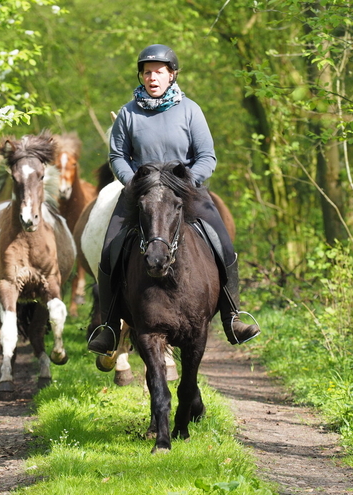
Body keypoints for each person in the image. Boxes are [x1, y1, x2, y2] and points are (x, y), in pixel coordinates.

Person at [87, 44, 259, 356]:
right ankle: (110, 326)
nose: (152, 77)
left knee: (224, 243)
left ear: (172, 75)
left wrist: (187, 183)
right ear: (141, 76)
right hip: (142, 195)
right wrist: (134, 183)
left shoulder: (190, 110)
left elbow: (207, 156)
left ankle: (232, 316)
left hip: (186, 194)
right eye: (147, 72)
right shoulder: (128, 113)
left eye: (159, 71)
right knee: (110, 248)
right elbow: (117, 156)